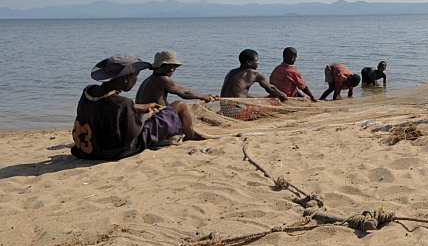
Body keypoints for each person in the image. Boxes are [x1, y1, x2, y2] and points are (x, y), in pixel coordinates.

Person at [71, 54, 205, 160]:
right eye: (135, 77)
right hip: (115, 150)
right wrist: (147, 115)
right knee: (179, 105)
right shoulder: (122, 103)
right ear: (125, 79)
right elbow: (134, 131)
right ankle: (191, 135)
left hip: (91, 148)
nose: (136, 80)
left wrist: (142, 106)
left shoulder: (89, 92)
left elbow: (110, 106)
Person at [219, 49, 288, 120]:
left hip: (225, 110)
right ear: (249, 62)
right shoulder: (254, 73)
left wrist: (264, 97)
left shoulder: (231, 72)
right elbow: (271, 88)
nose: (258, 63)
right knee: (275, 103)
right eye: (256, 60)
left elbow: (240, 94)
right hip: (237, 112)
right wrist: (282, 95)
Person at [136, 50, 218, 105]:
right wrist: (202, 97)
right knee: (180, 105)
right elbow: (185, 93)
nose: (171, 69)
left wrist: (204, 95)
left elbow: (182, 89)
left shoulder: (151, 79)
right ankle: (191, 132)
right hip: (153, 115)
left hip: (143, 114)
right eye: (167, 66)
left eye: (174, 66)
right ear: (159, 66)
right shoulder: (163, 79)